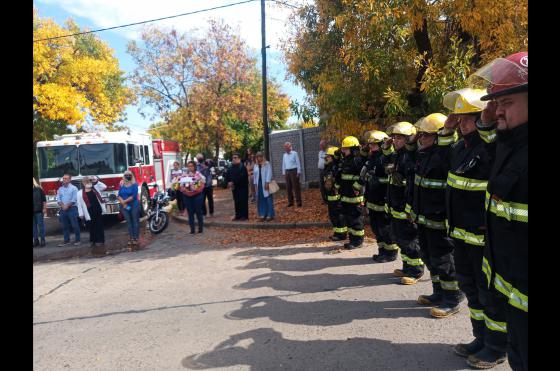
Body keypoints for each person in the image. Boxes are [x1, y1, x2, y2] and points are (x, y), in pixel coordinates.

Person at [469, 52, 528, 371]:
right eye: (496, 101)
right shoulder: (513, 143)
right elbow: (495, 145)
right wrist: (488, 120)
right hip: (513, 295)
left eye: (507, 102)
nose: (497, 108)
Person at [440, 88, 507, 368]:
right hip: (461, 234)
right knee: (471, 289)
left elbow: (494, 150)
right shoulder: (460, 147)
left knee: (489, 294)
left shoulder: (490, 146)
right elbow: (437, 162)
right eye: (461, 119)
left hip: (482, 236)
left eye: (469, 118)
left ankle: (496, 347)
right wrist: (445, 131)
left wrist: (485, 125)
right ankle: (480, 338)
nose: (464, 123)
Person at [410, 113, 465, 318]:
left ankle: (452, 298)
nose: (421, 138)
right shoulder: (423, 155)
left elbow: (447, 153)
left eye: (425, 135)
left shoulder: (445, 154)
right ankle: (438, 292)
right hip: (424, 218)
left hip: (439, 219)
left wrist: (447, 132)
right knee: (429, 256)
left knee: (443, 259)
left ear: (437, 136)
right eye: (421, 134)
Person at [382, 122, 424, 284]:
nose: (395, 140)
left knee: (410, 239)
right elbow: (385, 164)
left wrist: (409, 208)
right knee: (400, 238)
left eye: (399, 138)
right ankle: (407, 266)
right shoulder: (397, 154)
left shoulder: (411, 155)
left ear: (408, 138)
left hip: (404, 207)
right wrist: (386, 149)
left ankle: (416, 270)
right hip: (395, 205)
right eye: (395, 137)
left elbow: (412, 184)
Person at [363, 131, 399, 262]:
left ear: (381, 144)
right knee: (376, 227)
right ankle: (382, 250)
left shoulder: (388, 157)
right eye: (370, 144)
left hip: (383, 197)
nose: (371, 147)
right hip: (372, 197)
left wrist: (378, 179)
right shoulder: (372, 157)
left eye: (374, 144)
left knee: (386, 227)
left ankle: (391, 253)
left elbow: (389, 177)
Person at [338, 136, 365, 249]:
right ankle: (352, 239)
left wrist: (357, 187)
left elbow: (363, 176)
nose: (343, 151)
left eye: (346, 149)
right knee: (349, 219)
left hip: (355, 196)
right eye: (343, 149)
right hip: (346, 195)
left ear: (353, 149)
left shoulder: (357, 161)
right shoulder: (345, 160)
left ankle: (358, 241)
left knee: (356, 220)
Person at [77, 176, 107, 253]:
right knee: (91, 227)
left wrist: (96, 180)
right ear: (83, 183)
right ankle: (93, 241)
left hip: (98, 210)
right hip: (88, 212)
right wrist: (81, 214)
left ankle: (100, 240)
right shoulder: (79, 193)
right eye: (86, 182)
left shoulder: (95, 188)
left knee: (99, 226)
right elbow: (79, 204)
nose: (88, 183)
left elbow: (104, 187)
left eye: (89, 181)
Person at [323, 146, 347, 241]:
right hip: (330, 196)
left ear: (333, 157)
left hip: (336, 197)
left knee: (338, 216)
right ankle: (337, 232)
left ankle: (341, 234)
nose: (326, 158)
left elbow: (338, 181)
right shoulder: (329, 166)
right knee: (333, 216)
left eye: (328, 156)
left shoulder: (336, 167)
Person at [180, 161, 206, 234]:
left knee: (198, 212)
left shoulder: (199, 175)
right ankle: (192, 230)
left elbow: (202, 185)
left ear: (194, 167)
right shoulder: (184, 175)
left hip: (197, 196)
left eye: (191, 166)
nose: (190, 167)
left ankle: (200, 229)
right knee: (190, 213)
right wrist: (183, 189)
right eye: (188, 166)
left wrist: (196, 189)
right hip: (187, 197)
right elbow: (180, 185)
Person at [56, 173, 80, 246]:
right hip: (63, 209)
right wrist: (63, 205)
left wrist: (67, 205)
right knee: (64, 226)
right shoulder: (60, 189)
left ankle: (77, 240)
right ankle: (66, 240)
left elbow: (74, 199)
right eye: (63, 178)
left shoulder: (74, 188)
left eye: (66, 178)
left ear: (70, 180)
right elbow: (58, 198)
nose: (64, 180)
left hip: (72, 208)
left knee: (74, 225)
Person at [118, 170, 140, 249]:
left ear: (132, 176)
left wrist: (124, 202)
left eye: (129, 175)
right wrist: (123, 203)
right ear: (124, 176)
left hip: (134, 205)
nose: (128, 176)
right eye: (126, 175)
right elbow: (119, 195)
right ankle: (131, 238)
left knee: (135, 221)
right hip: (124, 206)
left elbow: (133, 196)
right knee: (129, 222)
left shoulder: (135, 184)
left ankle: (136, 238)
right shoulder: (121, 184)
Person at [225, 153, 249, 221]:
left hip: (243, 187)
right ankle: (238, 215)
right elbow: (227, 175)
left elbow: (242, 177)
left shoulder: (242, 167)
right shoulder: (231, 167)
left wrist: (233, 182)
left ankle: (244, 216)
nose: (234, 159)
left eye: (235, 158)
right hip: (235, 188)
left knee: (243, 201)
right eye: (233, 158)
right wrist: (228, 182)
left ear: (239, 159)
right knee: (236, 201)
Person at [253, 152, 276, 221]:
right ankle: (262, 214)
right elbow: (255, 176)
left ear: (263, 157)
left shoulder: (267, 164)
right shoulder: (255, 165)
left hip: (266, 183)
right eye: (257, 157)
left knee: (268, 199)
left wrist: (267, 182)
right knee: (261, 199)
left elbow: (269, 173)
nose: (259, 158)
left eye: (260, 156)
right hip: (259, 184)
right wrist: (255, 185)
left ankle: (270, 214)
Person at [281, 142, 302, 207]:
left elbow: (298, 163)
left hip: (294, 171)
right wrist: (284, 173)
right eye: (285, 147)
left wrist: (298, 171)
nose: (285, 148)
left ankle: (298, 202)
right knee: (288, 188)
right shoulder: (284, 155)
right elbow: (283, 164)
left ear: (290, 147)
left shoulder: (295, 153)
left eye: (287, 147)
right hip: (287, 172)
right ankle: (290, 202)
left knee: (296, 187)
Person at [33, 178, 47, 247]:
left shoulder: (39, 189)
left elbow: (44, 200)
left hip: (39, 211)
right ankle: (36, 240)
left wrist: (44, 208)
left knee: (41, 226)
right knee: (33, 227)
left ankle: (42, 240)